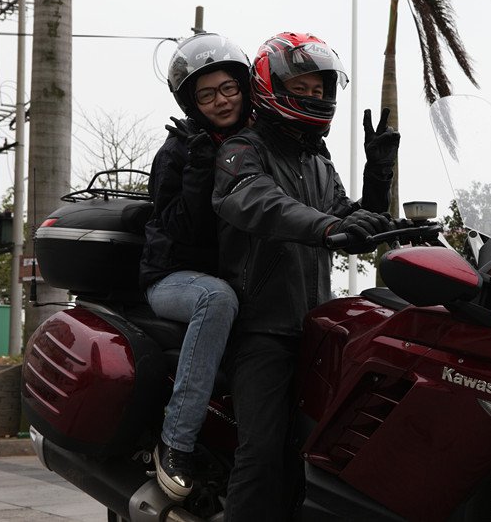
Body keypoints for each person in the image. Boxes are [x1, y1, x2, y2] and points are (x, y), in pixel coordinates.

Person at [211, 32, 401, 521]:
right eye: (304, 87)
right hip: (261, 329)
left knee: (323, 447)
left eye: (321, 90)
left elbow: (347, 221)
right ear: (270, 85)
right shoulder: (241, 150)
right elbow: (258, 203)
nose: (314, 97)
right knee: (263, 450)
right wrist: (331, 225)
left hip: (316, 327)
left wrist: (378, 177)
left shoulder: (317, 160)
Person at [138, 32, 251, 502]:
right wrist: (199, 170)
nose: (220, 101)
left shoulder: (255, 144)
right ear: (191, 101)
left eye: (228, 89)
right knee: (216, 298)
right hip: (171, 277)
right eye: (206, 94)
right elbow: (178, 233)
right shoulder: (179, 150)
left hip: (233, 274)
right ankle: (176, 442)